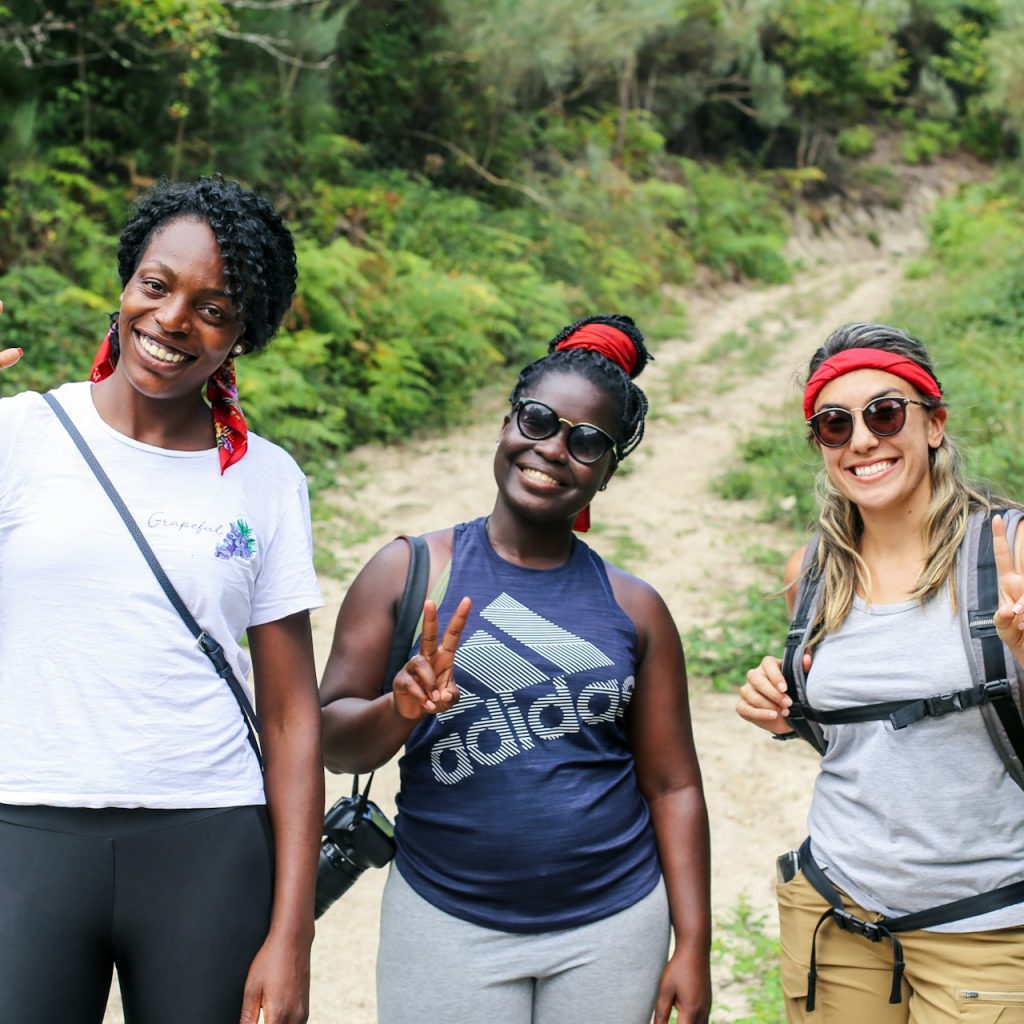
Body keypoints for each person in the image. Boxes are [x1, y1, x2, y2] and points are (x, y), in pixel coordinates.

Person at [320, 314, 712, 1024]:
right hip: (444, 922)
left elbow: (674, 783)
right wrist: (398, 709)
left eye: (587, 440)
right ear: (506, 425)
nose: (554, 449)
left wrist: (695, 945)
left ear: (609, 469)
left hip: (612, 929)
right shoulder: (409, 571)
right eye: (538, 421)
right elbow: (330, 738)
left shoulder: (636, 608)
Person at [0, 177, 324, 1024]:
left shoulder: (268, 480)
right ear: (125, 283)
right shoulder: (17, 438)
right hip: (22, 829)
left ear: (244, 335)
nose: (174, 320)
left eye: (214, 308)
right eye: (157, 285)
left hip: (206, 840)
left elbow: (292, 717)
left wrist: (293, 935)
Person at [736, 322, 1024, 1022]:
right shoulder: (811, 572)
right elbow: (862, 741)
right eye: (835, 425)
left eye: (885, 412)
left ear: (934, 424)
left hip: (985, 926)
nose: (862, 439)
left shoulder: (1008, 550)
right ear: (821, 446)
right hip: (836, 916)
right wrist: (786, 711)